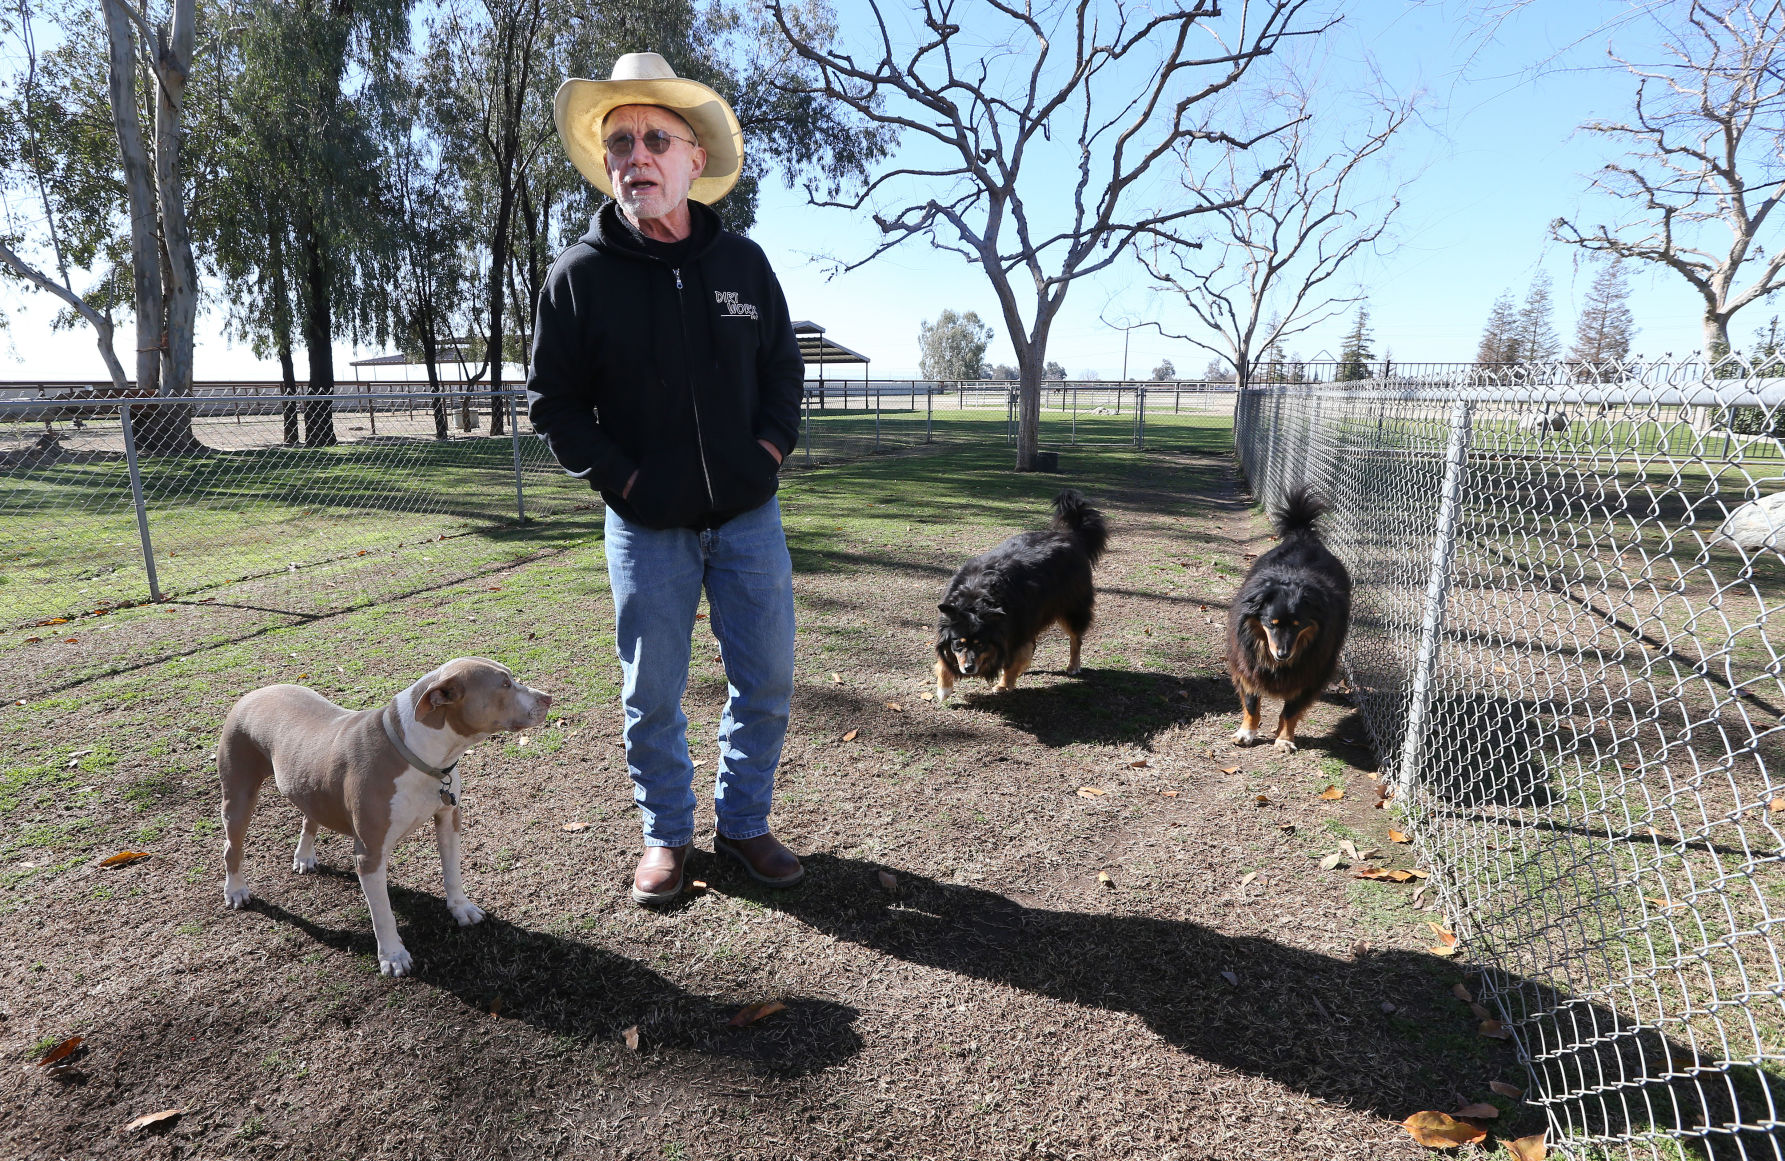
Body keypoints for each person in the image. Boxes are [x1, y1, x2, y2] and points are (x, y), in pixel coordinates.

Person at [528, 52, 805, 905]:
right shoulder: (577, 276)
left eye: (655, 138)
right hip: (645, 526)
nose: (635, 155)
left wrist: (764, 454)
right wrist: (628, 482)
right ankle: (665, 836)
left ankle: (745, 822)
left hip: (748, 518)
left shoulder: (744, 266)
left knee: (764, 678)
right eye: (619, 142)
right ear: (607, 162)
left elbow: (783, 374)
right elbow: (554, 404)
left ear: (693, 158)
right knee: (651, 694)